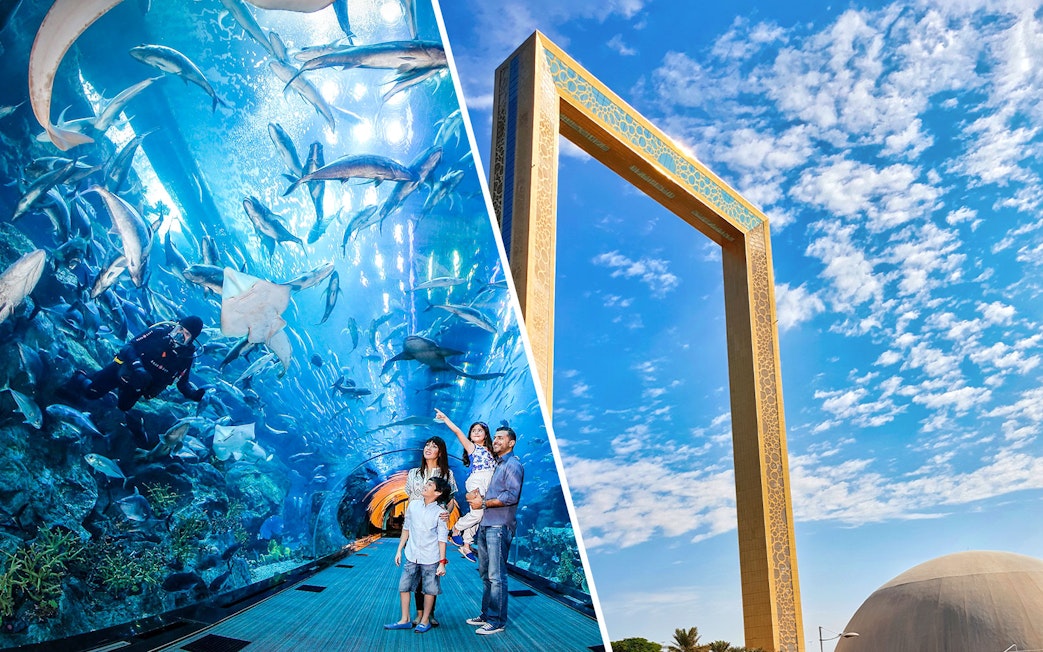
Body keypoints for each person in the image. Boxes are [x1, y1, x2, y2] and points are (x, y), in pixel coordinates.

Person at [72, 316, 207, 411]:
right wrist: (138, 366)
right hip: (123, 369)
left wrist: (192, 395)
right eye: (180, 329)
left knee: (123, 406)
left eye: (186, 334)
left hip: (139, 385)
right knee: (91, 393)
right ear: (176, 325)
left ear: (191, 339)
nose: (180, 334)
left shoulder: (187, 357)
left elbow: (182, 382)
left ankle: (108, 387)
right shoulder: (158, 333)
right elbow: (128, 346)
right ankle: (79, 376)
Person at [466, 425, 524, 636]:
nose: (496, 440)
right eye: (496, 437)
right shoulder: (497, 464)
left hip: (499, 525)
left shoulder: (513, 465)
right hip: (487, 524)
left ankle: (497, 621)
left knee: (496, 575)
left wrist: (483, 503)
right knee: (485, 574)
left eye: (501, 438)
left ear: (512, 442)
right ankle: (486, 614)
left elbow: (511, 496)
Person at [383, 477, 452, 634]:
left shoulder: (441, 513)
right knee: (404, 586)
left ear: (438, 492)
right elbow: (406, 529)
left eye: (429, 485)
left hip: (431, 557)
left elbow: (442, 539)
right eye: (426, 483)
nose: (425, 486)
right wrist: (399, 549)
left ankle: (425, 620)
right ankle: (404, 619)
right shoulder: (413, 505)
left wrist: (442, 562)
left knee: (429, 589)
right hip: (411, 554)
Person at [404, 436, 458, 627]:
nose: (428, 448)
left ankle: (429, 613)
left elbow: (450, 500)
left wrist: (446, 513)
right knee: (415, 572)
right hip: (417, 526)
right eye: (427, 445)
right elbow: (410, 497)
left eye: (434, 446)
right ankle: (419, 614)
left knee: (431, 572)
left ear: (440, 452)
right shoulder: (413, 473)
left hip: (434, 528)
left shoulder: (447, 474)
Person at [434, 408, 493, 562]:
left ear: (486, 434)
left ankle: (467, 544)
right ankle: (456, 529)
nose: (476, 432)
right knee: (478, 513)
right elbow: (458, 432)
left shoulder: (491, 451)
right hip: (477, 480)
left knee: (481, 515)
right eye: (473, 430)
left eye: (480, 430)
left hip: (488, 482)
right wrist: (445, 418)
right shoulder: (473, 447)